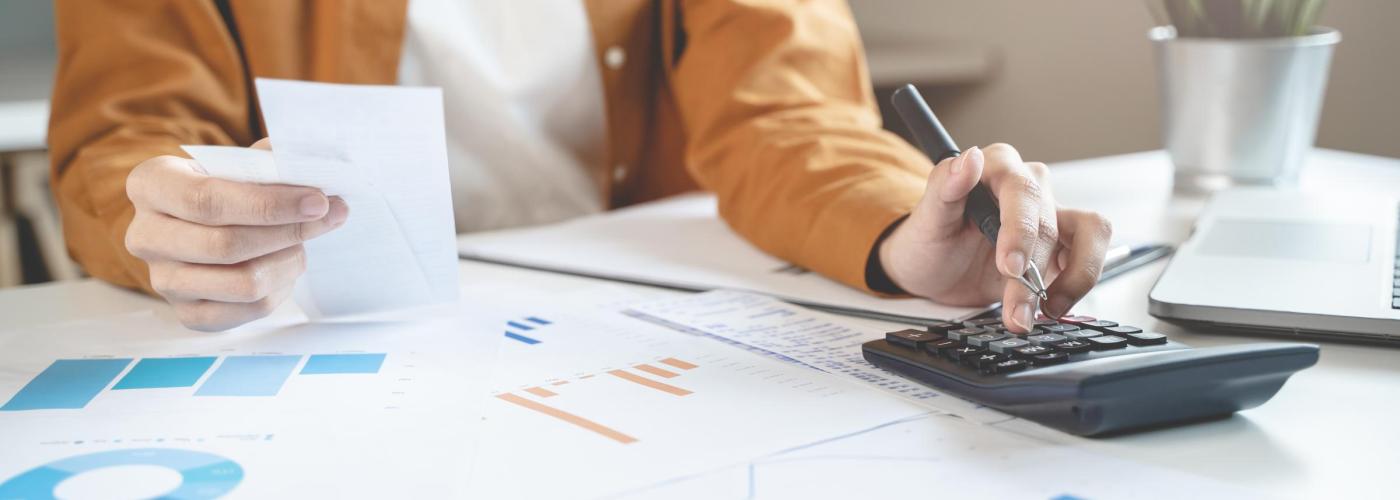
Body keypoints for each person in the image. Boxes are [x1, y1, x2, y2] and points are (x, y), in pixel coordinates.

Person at [48, 0, 1111, 332]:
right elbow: (125, 136)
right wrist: (177, 212)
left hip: (613, 319)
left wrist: (898, 226)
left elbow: (785, 104)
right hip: (318, 314)